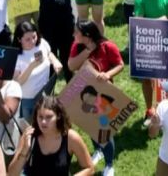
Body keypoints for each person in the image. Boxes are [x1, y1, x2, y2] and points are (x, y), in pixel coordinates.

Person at [67, 20, 123, 174]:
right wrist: (87, 51)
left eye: (76, 32)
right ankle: (98, 150)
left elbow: (120, 64)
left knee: (104, 129)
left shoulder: (108, 46)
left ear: (87, 35)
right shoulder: (77, 46)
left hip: (103, 92)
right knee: (90, 125)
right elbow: (71, 66)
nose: (73, 35)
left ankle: (109, 164)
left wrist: (108, 74)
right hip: (85, 93)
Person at [21, 0, 86, 80]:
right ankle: (50, 91)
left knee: (66, 58)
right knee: (50, 60)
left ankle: (70, 90)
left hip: (65, 29)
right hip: (47, 29)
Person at [8, 96, 94, 176]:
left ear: (59, 116)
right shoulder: (29, 135)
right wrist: (24, 150)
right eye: (40, 117)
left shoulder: (70, 138)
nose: (43, 122)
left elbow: (90, 168)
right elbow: (11, 174)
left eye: (48, 117)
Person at [133, 0, 168, 120]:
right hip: (146, 43)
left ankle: (164, 107)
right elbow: (138, 24)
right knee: (146, 79)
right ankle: (149, 108)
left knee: (164, 78)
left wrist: (152, 22)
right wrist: (161, 20)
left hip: (165, 42)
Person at [13, 21, 63, 123]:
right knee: (30, 125)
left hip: (45, 92)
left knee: (48, 122)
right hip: (28, 99)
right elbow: (17, 82)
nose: (32, 41)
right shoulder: (16, 57)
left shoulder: (42, 43)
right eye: (27, 39)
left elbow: (49, 53)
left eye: (34, 37)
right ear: (19, 39)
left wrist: (55, 61)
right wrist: (31, 67)